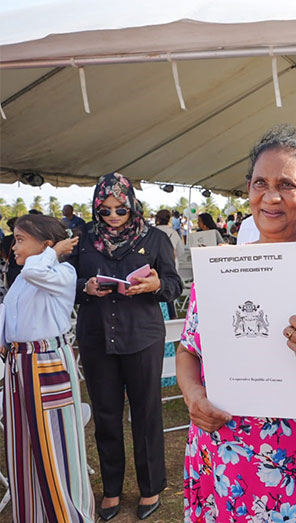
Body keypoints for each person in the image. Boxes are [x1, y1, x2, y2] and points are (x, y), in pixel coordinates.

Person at [177, 125, 296, 521]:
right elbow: (188, 350)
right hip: (221, 454)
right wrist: (192, 398)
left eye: (287, 184)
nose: (271, 197)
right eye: (260, 183)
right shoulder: (220, 265)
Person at [66, 173, 183, 521]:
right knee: (105, 415)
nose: (113, 217)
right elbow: (65, 286)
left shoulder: (155, 238)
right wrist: (84, 288)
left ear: (132, 205)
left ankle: (150, 488)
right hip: (96, 337)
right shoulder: (83, 240)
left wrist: (154, 285)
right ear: (95, 210)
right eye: (105, 211)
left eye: (120, 209)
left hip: (142, 336)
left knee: (147, 412)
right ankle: (112, 488)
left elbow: (174, 285)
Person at [1, 214, 95, 522]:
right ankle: (32, 516)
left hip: (46, 363)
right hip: (19, 365)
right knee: (23, 449)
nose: (13, 247)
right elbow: (10, 314)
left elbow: (37, 269)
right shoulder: (24, 277)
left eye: (19, 239)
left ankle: (68, 516)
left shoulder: (61, 272)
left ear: (45, 244)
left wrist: (54, 253)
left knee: (55, 450)